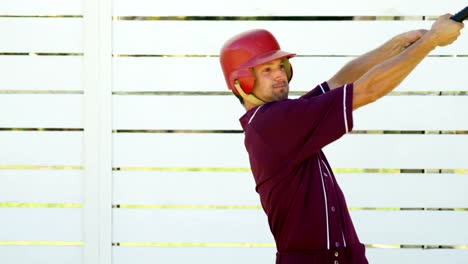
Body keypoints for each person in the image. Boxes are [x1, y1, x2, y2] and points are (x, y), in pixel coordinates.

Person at [219, 14, 464, 264]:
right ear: (242, 83)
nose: (280, 74)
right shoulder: (272, 124)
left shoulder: (281, 119)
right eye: (267, 70)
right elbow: (366, 90)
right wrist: (431, 40)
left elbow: (338, 82)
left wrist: (398, 44)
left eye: (281, 66)